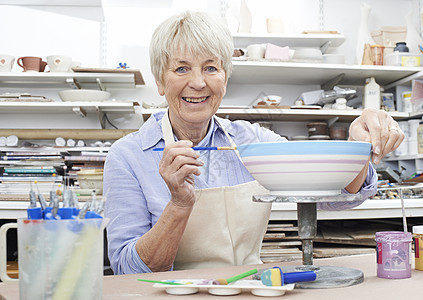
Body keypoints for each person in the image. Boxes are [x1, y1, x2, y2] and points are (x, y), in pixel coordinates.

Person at [103, 11, 404, 275]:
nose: (198, 82)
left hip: (248, 290)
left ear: (225, 76)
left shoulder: (254, 142)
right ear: (159, 80)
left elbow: (335, 193)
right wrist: (179, 206)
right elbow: (128, 269)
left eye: (211, 68)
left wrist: (358, 145)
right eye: (182, 69)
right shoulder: (127, 157)